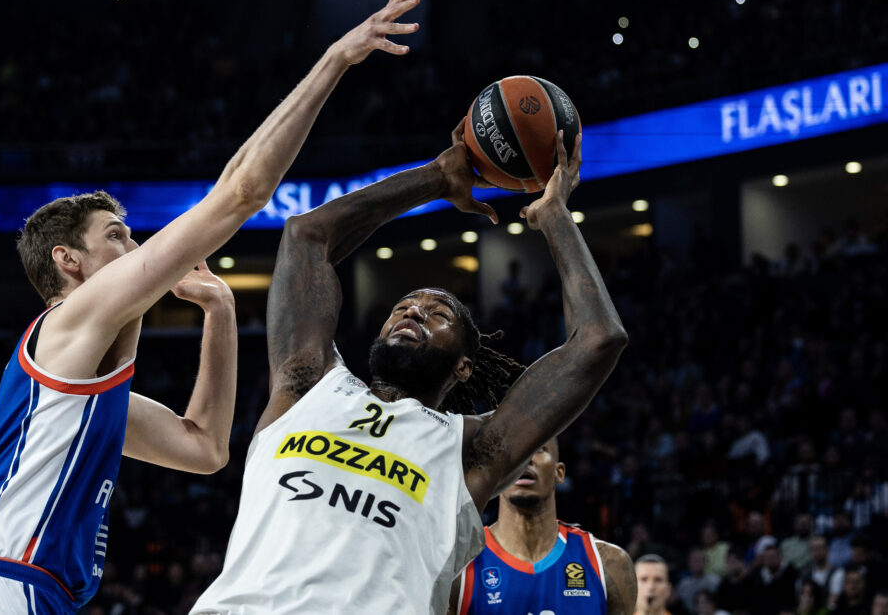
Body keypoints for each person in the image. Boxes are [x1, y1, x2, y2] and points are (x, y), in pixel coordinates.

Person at [0, 0, 427, 615]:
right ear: (68, 262)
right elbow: (239, 193)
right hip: (4, 587)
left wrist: (219, 310)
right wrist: (335, 60)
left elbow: (206, 448)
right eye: (118, 235)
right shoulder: (70, 321)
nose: (137, 246)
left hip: (14, 589)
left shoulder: (78, 399)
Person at [192, 120, 628, 614]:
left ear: (464, 367)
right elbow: (307, 235)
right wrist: (438, 177)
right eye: (403, 306)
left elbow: (598, 340)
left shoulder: (471, 450)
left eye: (439, 314)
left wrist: (554, 217)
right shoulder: (308, 386)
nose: (415, 311)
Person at [447, 437, 636, 614]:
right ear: (497, 472)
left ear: (559, 472)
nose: (525, 459)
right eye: (514, 452)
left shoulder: (609, 564)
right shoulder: (458, 569)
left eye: (538, 449)